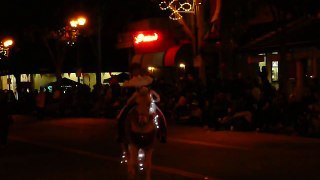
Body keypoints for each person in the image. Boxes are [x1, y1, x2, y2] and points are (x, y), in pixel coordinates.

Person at [116, 63, 167, 143]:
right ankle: (121, 134)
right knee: (122, 115)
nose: (136, 71)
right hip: (134, 102)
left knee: (160, 114)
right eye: (134, 70)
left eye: (137, 69)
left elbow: (154, 90)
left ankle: (162, 133)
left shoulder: (147, 80)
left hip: (147, 101)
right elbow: (126, 95)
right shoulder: (130, 83)